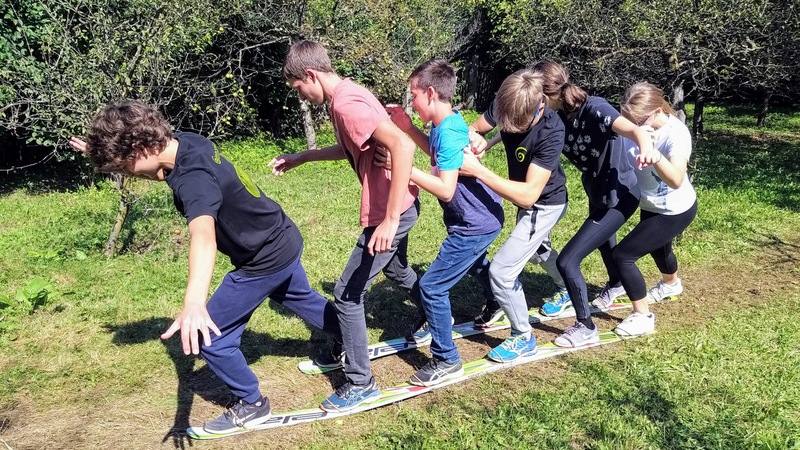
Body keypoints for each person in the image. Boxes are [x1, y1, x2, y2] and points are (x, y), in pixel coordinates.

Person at [69, 101, 342, 435]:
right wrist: (103, 151)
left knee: (210, 338)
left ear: (140, 148)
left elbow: (203, 236)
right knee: (299, 297)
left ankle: (252, 404)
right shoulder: (184, 142)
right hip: (281, 234)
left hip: (263, 258)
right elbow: (156, 166)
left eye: (126, 167)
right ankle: (348, 337)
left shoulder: (193, 180)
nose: (130, 175)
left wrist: (194, 303)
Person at [269, 40, 421, 411]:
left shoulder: (345, 103)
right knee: (398, 272)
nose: (301, 96)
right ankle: (437, 315)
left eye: (299, 88)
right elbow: (354, 146)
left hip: (390, 212)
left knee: (347, 295)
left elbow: (403, 147)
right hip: (400, 205)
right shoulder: (348, 94)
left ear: (311, 75)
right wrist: (303, 157)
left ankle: (361, 383)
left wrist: (388, 220)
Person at [380, 60, 504, 384]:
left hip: (474, 223)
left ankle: (447, 359)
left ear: (431, 93)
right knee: (475, 264)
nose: (413, 102)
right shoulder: (445, 124)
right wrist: (408, 128)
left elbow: (446, 189)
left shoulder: (448, 131)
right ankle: (499, 298)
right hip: (481, 216)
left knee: (432, 287)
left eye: (414, 96)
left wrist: (404, 169)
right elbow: (438, 155)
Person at [531, 61, 659, 347]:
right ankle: (615, 284)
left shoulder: (596, 108)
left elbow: (636, 131)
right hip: (597, 193)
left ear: (547, 93)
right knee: (605, 244)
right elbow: (517, 129)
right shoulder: (555, 116)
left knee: (567, 261)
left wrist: (646, 149)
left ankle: (586, 327)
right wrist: (486, 142)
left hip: (619, 196)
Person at [460, 68, 570, 362]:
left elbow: (528, 195)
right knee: (537, 252)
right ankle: (567, 285)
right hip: (527, 200)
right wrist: (478, 140)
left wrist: (480, 171)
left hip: (544, 204)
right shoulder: (510, 100)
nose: (512, 128)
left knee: (501, 272)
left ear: (539, 108)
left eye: (518, 125)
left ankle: (523, 337)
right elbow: (474, 128)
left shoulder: (552, 130)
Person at [609, 82, 698, 335]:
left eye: (638, 120)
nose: (633, 125)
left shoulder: (676, 134)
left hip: (675, 209)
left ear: (657, 111)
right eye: (628, 119)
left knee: (622, 256)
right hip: (651, 203)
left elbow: (676, 179)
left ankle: (642, 317)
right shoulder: (635, 124)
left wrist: (656, 157)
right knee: (660, 249)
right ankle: (671, 284)